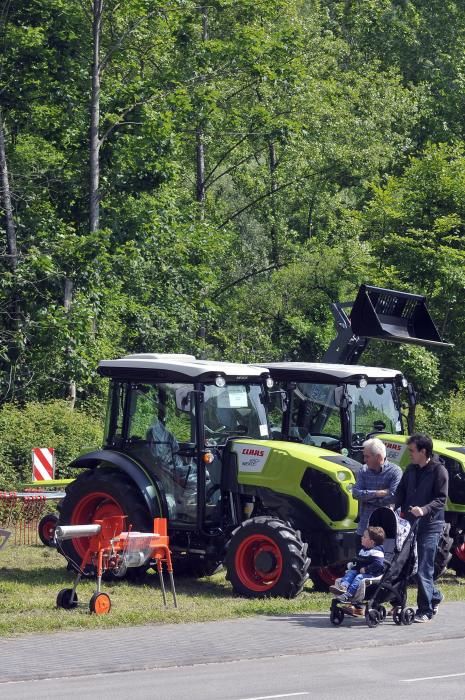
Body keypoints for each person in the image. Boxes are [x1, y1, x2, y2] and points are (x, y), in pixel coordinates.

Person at [394, 433, 448, 623]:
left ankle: (425, 610)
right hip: (409, 523)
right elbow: (400, 492)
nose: (410, 454)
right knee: (410, 565)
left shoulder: (439, 471)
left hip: (430, 525)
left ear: (423, 451)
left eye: (412, 451)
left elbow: (441, 499)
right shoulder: (410, 469)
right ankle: (435, 596)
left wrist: (424, 510)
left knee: (424, 567)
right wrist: (393, 507)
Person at [352, 438, 402, 549]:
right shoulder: (363, 471)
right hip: (364, 528)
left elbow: (393, 496)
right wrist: (378, 493)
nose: (364, 460)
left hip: (386, 529)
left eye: (367, 456)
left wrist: (367, 497)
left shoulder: (395, 472)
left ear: (378, 457)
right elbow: (355, 493)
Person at [330, 526, 385, 603]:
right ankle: (343, 587)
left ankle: (348, 595)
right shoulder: (363, 550)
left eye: (364, 537)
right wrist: (353, 566)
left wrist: (366, 569)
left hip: (373, 574)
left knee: (359, 577)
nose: (361, 537)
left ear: (372, 542)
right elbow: (359, 561)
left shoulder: (377, 552)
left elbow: (378, 564)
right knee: (351, 572)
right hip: (361, 571)